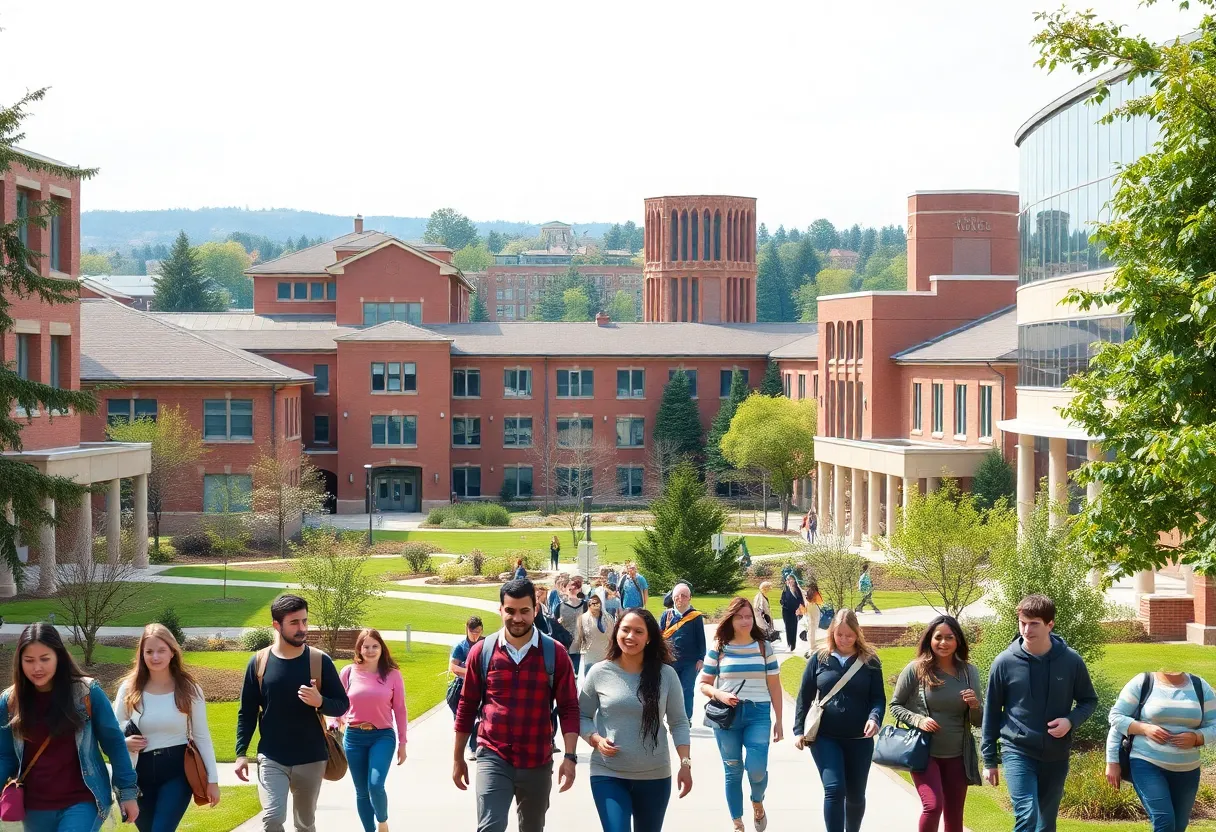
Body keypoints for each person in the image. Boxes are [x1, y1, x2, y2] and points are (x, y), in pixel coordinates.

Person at [452, 578, 580, 832]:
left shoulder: (555, 654)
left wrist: (570, 756)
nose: (517, 618)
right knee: (490, 827)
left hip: (537, 758)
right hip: (493, 755)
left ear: (536, 609)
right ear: (500, 610)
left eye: (524, 611)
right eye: (510, 610)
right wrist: (458, 757)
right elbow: (467, 706)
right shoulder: (482, 652)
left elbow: (568, 708)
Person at [0, 623, 139, 832]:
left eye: (45, 659)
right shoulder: (9, 702)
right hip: (35, 806)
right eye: (29, 660)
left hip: (83, 800)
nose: (37, 667)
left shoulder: (87, 693)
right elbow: (5, 756)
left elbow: (114, 743)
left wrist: (127, 792)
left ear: (59, 657)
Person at [982, 594, 1098, 832]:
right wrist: (989, 760)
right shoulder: (1004, 662)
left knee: (1046, 825)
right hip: (1018, 750)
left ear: (1050, 624)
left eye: (1034, 623)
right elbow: (991, 712)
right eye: (1022, 622)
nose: (1026, 629)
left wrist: (1070, 721)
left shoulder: (1071, 661)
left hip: (1056, 754)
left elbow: (1089, 700)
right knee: (1027, 815)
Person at [235, 594, 350, 832]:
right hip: (271, 756)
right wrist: (241, 753)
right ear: (276, 625)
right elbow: (246, 712)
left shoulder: (320, 661)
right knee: (272, 818)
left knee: (305, 824)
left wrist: (320, 701)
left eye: (305, 621)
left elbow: (341, 704)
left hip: (311, 756)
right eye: (294, 623)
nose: (302, 629)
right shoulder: (258, 663)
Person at [580, 609, 693, 832]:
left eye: (638, 631)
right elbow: (581, 715)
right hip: (608, 772)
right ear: (616, 632)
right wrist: (594, 739)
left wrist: (685, 763)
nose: (630, 636)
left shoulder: (666, 675)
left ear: (649, 638)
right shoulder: (599, 672)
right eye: (625, 630)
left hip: (655, 775)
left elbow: (679, 722)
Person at [114, 623, 221, 832]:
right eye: (149, 651)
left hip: (177, 772)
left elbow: (202, 736)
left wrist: (213, 780)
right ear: (141, 654)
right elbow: (112, 731)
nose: (155, 657)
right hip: (138, 774)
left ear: (173, 652)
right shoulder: (129, 688)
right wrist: (124, 742)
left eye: (161, 650)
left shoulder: (189, 689)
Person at [793, 609, 885, 832]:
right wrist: (798, 730)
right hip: (825, 737)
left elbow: (878, 698)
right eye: (839, 634)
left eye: (849, 635)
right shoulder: (819, 658)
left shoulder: (870, 662)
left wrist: (874, 718)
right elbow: (804, 696)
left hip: (859, 739)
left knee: (855, 795)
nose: (843, 640)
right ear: (832, 632)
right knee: (834, 789)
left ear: (857, 634)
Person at [889, 616, 983, 832]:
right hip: (925, 753)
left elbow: (977, 721)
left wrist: (975, 706)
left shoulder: (969, 672)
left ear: (958, 640)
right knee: (933, 806)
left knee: (954, 817)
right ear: (929, 640)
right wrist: (918, 720)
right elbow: (895, 706)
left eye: (949, 637)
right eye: (938, 637)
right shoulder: (916, 670)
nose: (943, 642)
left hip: (958, 756)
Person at [700, 597, 783, 832]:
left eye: (749, 616)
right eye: (740, 617)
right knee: (733, 770)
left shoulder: (763, 646)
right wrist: (720, 694)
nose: (745, 621)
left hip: (758, 714)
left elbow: (775, 686)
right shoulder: (719, 647)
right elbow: (704, 684)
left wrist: (779, 720)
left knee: (756, 769)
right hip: (727, 716)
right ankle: (737, 823)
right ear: (731, 619)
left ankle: (757, 801)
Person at [1105, 668, 1216, 832]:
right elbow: (1116, 717)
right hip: (1147, 763)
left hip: (1188, 769)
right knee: (1164, 821)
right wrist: (1144, 729)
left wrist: (1197, 737)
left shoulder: (1200, 686)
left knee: (1179, 826)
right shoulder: (1143, 682)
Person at [330, 629, 407, 832]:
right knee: (361, 791)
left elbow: (400, 709)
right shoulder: (348, 672)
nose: (371, 651)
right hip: (354, 737)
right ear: (359, 649)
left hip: (382, 736)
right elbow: (340, 703)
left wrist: (403, 743)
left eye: (375, 646)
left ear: (382, 648)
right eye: (366, 646)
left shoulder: (392, 675)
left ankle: (382, 821)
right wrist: (336, 721)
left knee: (375, 784)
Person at [659, 583, 706, 721]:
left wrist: (701, 658)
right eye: (677, 596)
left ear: (689, 598)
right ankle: (673, 717)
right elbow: (660, 637)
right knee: (671, 691)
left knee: (687, 689)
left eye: (684, 596)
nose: (680, 599)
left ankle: (686, 718)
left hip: (690, 661)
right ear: (673, 598)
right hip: (670, 660)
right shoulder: (666, 615)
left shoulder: (695, 616)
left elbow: (700, 638)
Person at [449, 617, 485, 759]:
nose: (475, 635)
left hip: (482, 688)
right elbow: (454, 667)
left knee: (481, 718)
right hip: (463, 687)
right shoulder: (461, 646)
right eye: (472, 632)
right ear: (467, 629)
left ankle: (474, 745)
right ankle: (465, 747)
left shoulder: (486, 643)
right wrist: (471, 673)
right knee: (463, 719)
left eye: (478, 631)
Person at [572, 594, 614, 677]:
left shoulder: (608, 618)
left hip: (604, 657)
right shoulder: (582, 619)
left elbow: (612, 637)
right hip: (591, 658)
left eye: (597, 603)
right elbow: (579, 638)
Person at [557, 578, 589, 676]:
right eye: (570, 589)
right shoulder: (560, 607)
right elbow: (554, 626)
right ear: (565, 590)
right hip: (564, 643)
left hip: (579, 643)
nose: (572, 591)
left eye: (575, 588)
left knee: (577, 672)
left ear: (579, 590)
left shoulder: (585, 605)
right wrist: (558, 622)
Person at [779, 574, 803, 652]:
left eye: (791, 579)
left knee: (794, 627)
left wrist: (799, 608)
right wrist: (783, 603)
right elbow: (782, 599)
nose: (790, 581)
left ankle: (793, 645)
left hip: (794, 612)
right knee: (788, 627)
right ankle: (789, 644)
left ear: (794, 580)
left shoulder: (797, 589)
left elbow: (801, 600)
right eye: (788, 580)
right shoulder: (785, 589)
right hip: (786, 611)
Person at [803, 580, 824, 658]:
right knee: (812, 629)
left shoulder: (810, 592)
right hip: (813, 609)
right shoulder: (814, 592)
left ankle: (812, 646)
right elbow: (818, 601)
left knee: (811, 629)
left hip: (811, 609)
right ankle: (812, 646)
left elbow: (808, 600)